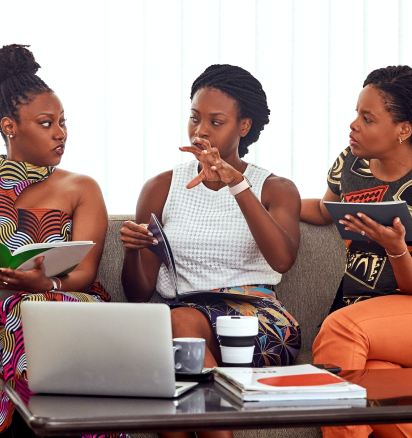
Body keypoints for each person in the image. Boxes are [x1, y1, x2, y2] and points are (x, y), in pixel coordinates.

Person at [0, 44, 123, 438]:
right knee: (25, 308)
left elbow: (85, 272)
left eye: (63, 122)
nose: (60, 133)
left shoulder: (81, 187)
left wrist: (46, 283)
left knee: (36, 306)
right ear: (9, 126)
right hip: (6, 323)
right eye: (46, 123)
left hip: (74, 306)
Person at [120, 64, 301, 438]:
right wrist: (133, 250)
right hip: (178, 317)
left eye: (215, 121)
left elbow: (282, 259)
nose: (200, 130)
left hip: (256, 320)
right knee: (176, 339)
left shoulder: (275, 188)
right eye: (194, 118)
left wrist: (238, 185)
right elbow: (138, 292)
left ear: (243, 126)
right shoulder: (160, 187)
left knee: (177, 341)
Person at [301, 65, 412, 438]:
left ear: (403, 130)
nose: (353, 125)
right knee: (378, 393)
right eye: (356, 114)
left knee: (340, 328)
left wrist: (396, 249)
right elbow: (322, 210)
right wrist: (264, 198)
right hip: (370, 323)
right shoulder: (351, 163)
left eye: (367, 118)